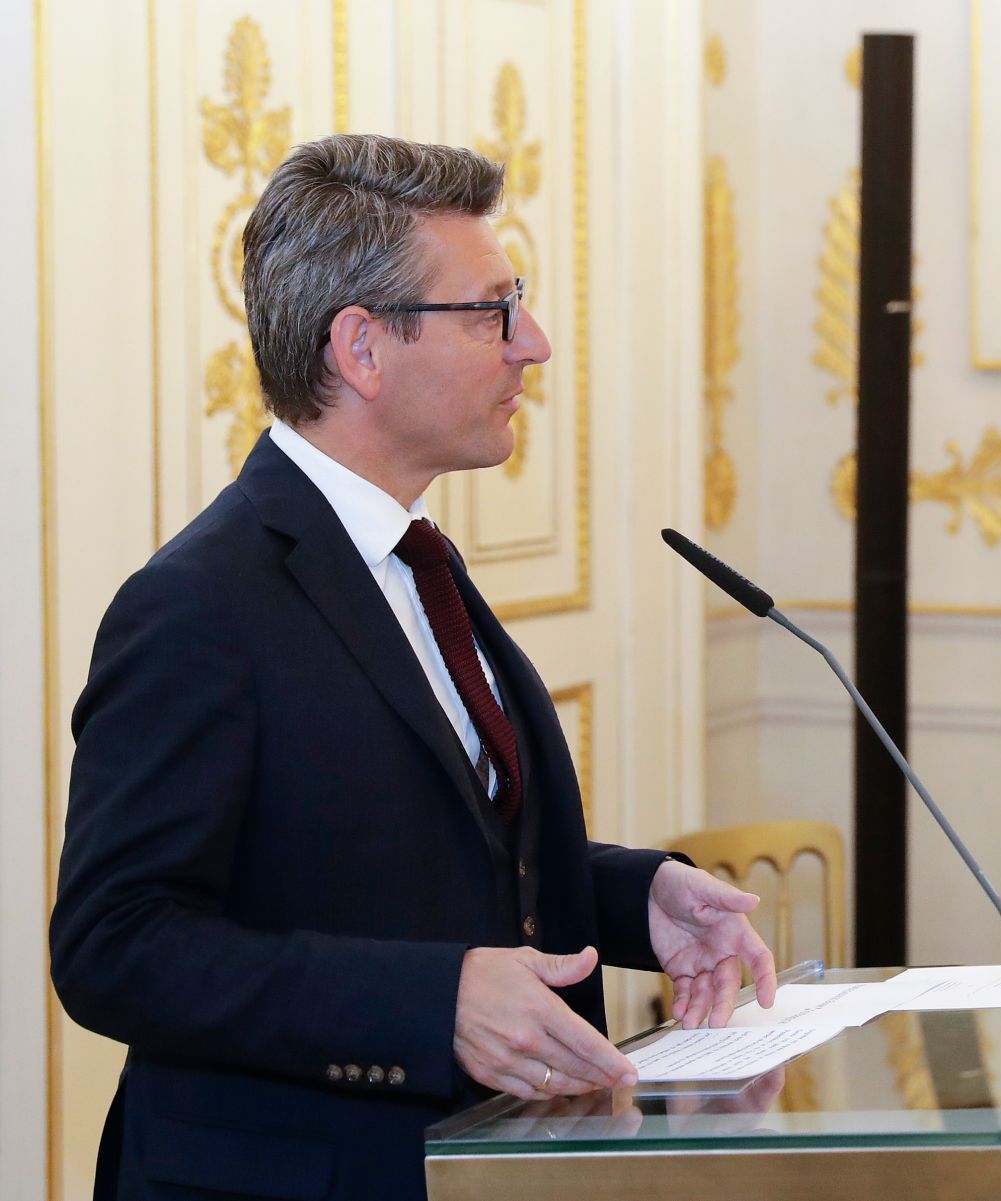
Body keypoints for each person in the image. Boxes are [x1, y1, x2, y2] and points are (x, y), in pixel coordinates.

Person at [49, 133, 777, 1201]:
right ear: (362, 350)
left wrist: (636, 899)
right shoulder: (196, 605)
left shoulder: (411, 556)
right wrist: (430, 1002)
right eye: (491, 310)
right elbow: (117, 944)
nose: (530, 342)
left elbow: (427, 854)